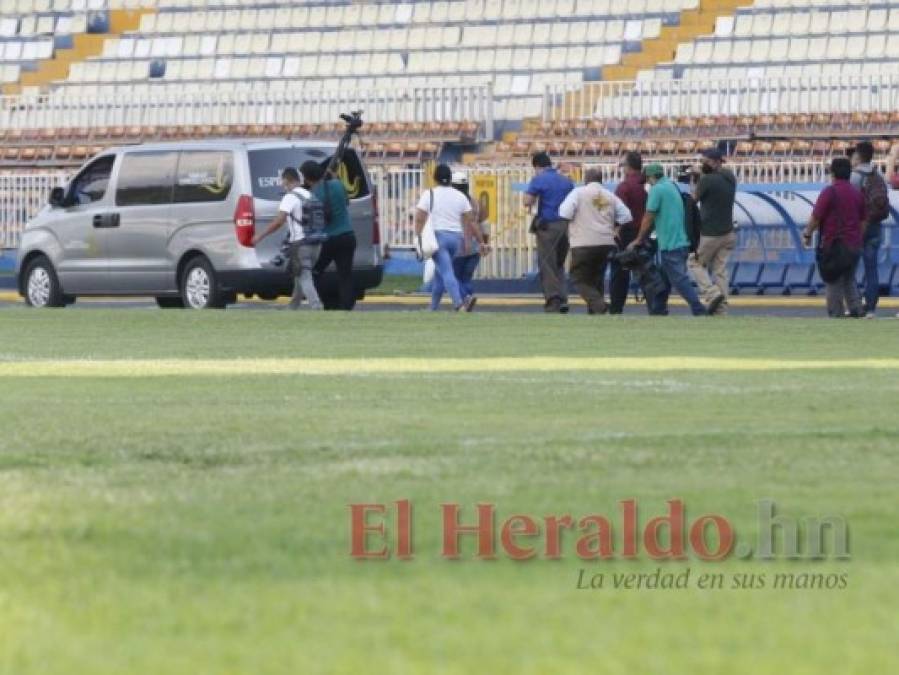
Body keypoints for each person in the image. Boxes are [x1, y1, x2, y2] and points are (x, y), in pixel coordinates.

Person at [629, 164, 720, 317]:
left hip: (670, 243)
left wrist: (638, 239)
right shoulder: (671, 186)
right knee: (664, 279)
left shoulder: (657, 190)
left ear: (651, 177)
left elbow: (649, 217)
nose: (647, 183)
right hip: (682, 241)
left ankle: (699, 309)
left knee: (679, 279)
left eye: (647, 180)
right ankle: (658, 310)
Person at [558, 168, 633, 314]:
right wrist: (615, 228)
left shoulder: (578, 193)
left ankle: (599, 305)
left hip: (583, 243)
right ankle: (595, 312)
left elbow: (564, 212)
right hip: (606, 242)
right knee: (597, 278)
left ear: (586, 179)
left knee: (578, 277)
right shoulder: (609, 195)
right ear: (601, 180)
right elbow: (626, 216)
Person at [802, 157, 866, 318]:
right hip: (854, 245)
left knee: (833, 280)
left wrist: (807, 234)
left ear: (833, 173)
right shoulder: (857, 194)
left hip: (835, 244)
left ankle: (836, 314)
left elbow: (816, 217)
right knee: (849, 279)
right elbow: (863, 220)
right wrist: (858, 238)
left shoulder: (829, 192)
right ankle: (856, 310)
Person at [252, 167, 323, 311]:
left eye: (282, 180)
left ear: (287, 180)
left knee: (304, 276)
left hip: (300, 243)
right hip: (316, 243)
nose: (281, 184)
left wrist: (261, 235)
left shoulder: (290, 197)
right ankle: (293, 306)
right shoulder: (310, 195)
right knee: (299, 275)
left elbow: (279, 221)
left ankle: (317, 306)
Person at [415, 164, 478, 312]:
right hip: (456, 238)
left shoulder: (429, 194)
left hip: (438, 238)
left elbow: (419, 217)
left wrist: (418, 235)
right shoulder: (460, 196)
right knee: (440, 273)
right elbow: (470, 217)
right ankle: (433, 307)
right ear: (450, 178)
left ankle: (459, 303)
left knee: (447, 272)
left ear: (435, 178)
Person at [301, 160, 357, 311]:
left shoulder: (311, 195)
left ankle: (325, 301)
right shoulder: (337, 185)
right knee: (345, 274)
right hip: (347, 235)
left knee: (314, 272)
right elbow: (346, 202)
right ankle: (347, 307)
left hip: (326, 239)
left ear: (306, 178)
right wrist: (334, 177)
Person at [523, 152, 575, 313]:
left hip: (548, 226)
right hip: (565, 226)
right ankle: (563, 297)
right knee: (559, 264)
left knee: (547, 264)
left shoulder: (539, 179)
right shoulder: (566, 181)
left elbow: (527, 201)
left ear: (537, 166)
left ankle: (553, 300)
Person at [688, 148, 736, 315]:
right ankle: (722, 309)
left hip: (710, 233)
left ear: (715, 161)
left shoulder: (706, 180)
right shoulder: (730, 177)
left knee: (694, 262)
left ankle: (712, 293)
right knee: (720, 270)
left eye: (705, 161)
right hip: (729, 232)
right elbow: (718, 179)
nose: (703, 164)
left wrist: (695, 180)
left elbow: (693, 199)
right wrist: (702, 174)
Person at [850, 141, 889, 317]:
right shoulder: (878, 176)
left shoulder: (854, 177)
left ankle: (855, 305)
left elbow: (850, 204)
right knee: (871, 268)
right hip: (875, 226)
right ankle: (871, 308)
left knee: (850, 268)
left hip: (859, 227)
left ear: (858, 156)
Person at [611, 151, 647, 314]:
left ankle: (616, 307)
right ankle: (655, 304)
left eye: (622, 165)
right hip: (643, 232)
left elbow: (620, 213)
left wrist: (616, 229)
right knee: (645, 270)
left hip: (626, 233)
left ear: (628, 167)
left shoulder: (624, 186)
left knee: (620, 273)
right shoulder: (644, 185)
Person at [450, 170, 490, 301]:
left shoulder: (451, 204)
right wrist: (484, 243)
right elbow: (485, 226)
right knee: (466, 278)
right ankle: (467, 297)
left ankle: (466, 297)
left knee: (454, 277)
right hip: (474, 249)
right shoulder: (477, 203)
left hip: (457, 249)